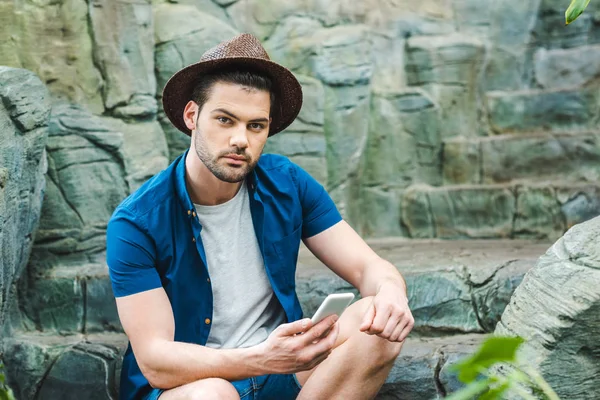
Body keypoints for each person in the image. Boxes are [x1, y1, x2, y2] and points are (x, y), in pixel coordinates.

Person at [106, 33, 414, 400]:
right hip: (193, 385)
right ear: (192, 115)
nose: (241, 139)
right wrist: (263, 358)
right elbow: (156, 361)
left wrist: (392, 291)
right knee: (213, 396)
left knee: (374, 326)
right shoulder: (136, 222)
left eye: (256, 125)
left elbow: (368, 269)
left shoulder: (288, 183)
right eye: (225, 120)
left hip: (283, 373)